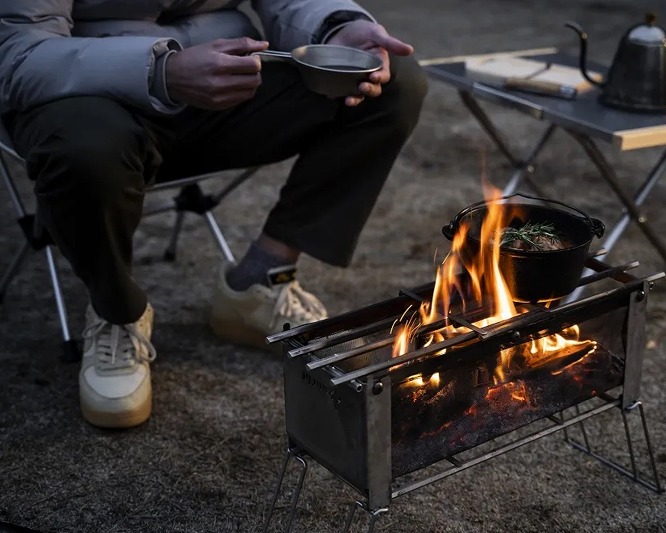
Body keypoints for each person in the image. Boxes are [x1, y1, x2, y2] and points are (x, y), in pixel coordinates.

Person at [0, 1, 428, 429]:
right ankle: (115, 313)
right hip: (88, 93)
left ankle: (263, 277)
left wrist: (335, 27)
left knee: (388, 84)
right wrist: (161, 70)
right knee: (83, 152)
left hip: (223, 82)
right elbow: (16, 50)